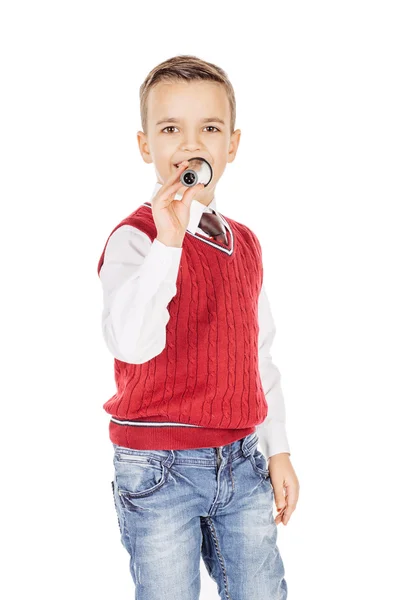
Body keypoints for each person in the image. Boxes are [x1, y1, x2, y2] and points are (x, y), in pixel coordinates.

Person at [98, 54, 300, 600]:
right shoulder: (136, 240)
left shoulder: (248, 245)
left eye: (209, 128)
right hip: (158, 468)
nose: (191, 142)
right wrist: (170, 241)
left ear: (231, 145)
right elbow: (134, 344)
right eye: (170, 129)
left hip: (240, 461)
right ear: (146, 146)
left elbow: (259, 353)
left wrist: (276, 448)